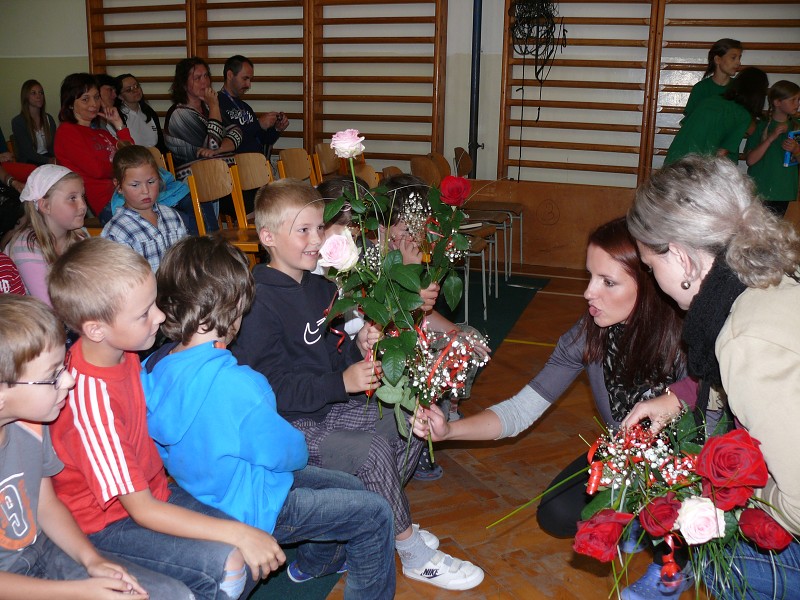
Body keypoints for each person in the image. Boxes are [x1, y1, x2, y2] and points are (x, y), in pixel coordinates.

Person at [413, 217, 689, 598]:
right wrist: (450, 431)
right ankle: (638, 520)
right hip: (625, 452)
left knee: (679, 516)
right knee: (557, 514)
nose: (590, 293)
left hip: (686, 462)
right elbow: (520, 410)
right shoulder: (590, 331)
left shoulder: (687, 338)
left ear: (651, 283)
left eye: (608, 282)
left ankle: (673, 566)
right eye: (590, 276)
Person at [231, 178, 485, 591]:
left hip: (328, 405)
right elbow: (269, 390)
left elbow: (336, 354)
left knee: (410, 416)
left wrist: (359, 345)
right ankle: (413, 553)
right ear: (268, 237)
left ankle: (384, 515)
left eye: (319, 228)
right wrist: (341, 380)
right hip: (289, 425)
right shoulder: (257, 300)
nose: (317, 240)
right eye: (304, 231)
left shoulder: (320, 287)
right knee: (369, 452)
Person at [141, 235, 396, 596]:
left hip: (201, 489)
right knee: (374, 513)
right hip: (260, 504)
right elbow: (287, 453)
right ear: (234, 309)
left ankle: (315, 562)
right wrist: (296, 452)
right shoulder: (242, 384)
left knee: (350, 486)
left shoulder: (153, 366)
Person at [47, 237, 282, 600]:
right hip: (108, 524)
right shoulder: (90, 401)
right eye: (144, 314)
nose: (159, 316)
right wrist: (236, 535)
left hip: (154, 491)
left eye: (153, 304)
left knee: (252, 541)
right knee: (233, 556)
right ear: (96, 329)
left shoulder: (121, 351)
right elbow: (140, 510)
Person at [625, 155, 800, 600]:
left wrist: (717, 508)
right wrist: (677, 400)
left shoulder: (744, 337)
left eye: (651, 267)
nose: (653, 279)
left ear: (682, 258)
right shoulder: (769, 278)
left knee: (721, 565)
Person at [0, 295, 202, 598]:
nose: (68, 380)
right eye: (51, 377)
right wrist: (80, 591)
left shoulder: (31, 425)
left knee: (173, 595)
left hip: (44, 549)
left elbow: (46, 504)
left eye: (63, 366)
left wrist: (91, 560)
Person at [164, 56, 242, 231]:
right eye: (197, 78)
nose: (204, 82)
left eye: (206, 76)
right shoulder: (179, 115)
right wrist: (215, 107)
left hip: (216, 178)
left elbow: (236, 132)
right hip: (192, 184)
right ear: (184, 84)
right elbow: (212, 145)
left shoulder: (207, 108)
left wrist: (219, 149)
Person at [54, 73, 134, 223]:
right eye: (85, 99)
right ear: (71, 104)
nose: (93, 104)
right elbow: (97, 170)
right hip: (108, 202)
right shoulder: (67, 131)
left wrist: (118, 125)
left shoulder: (101, 132)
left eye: (96, 97)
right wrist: (127, 168)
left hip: (128, 192)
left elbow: (133, 156)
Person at [4, 165, 87, 305]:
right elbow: (50, 305)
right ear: (45, 206)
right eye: (72, 198)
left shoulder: (80, 236)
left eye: (82, 196)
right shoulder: (26, 247)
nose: (83, 205)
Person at [101, 145, 187, 271]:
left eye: (151, 182)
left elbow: (185, 259)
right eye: (135, 185)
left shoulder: (172, 216)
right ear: (119, 186)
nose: (146, 191)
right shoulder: (116, 232)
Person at [665, 67, 769, 166]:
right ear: (758, 95)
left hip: (674, 159)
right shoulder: (742, 115)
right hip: (696, 168)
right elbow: (721, 153)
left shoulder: (712, 100)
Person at [743, 80, 800, 218]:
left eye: (798, 100)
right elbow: (750, 160)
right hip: (759, 189)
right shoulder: (760, 126)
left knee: (775, 233)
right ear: (777, 102)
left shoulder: (797, 127)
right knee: (756, 233)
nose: (797, 104)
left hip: (784, 190)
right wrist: (770, 138)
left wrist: (796, 150)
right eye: (793, 100)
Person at [218, 55, 289, 156]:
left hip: (255, 164)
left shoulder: (245, 107)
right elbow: (228, 141)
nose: (248, 85)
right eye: (245, 78)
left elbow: (261, 140)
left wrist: (276, 129)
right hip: (234, 167)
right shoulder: (216, 104)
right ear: (230, 75)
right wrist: (258, 124)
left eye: (250, 79)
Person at [683, 39, 743, 120]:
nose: (738, 62)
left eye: (739, 58)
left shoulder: (739, 89)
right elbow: (690, 123)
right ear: (717, 59)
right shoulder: (700, 89)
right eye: (733, 58)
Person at [115, 74, 166, 153]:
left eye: (136, 86)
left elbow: (161, 143)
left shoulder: (149, 111)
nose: (135, 90)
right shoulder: (117, 116)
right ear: (120, 96)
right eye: (129, 90)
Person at [11, 79, 58, 165]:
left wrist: (58, 159)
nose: (39, 96)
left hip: (48, 159)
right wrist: (49, 161)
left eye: (41, 93)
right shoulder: (18, 122)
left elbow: (54, 147)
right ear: (26, 96)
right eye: (33, 93)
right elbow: (28, 153)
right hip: (30, 162)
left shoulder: (49, 119)